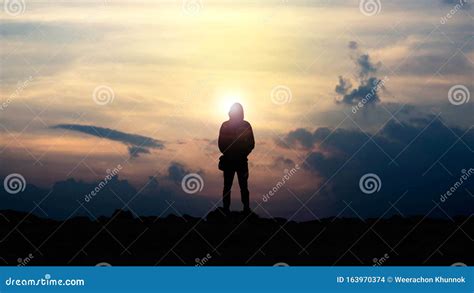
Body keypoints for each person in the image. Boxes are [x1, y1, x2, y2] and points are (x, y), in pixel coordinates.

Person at [218, 103, 255, 213]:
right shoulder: (225, 125)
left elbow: (251, 143)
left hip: (241, 161)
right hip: (232, 161)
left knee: (242, 186)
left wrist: (242, 154)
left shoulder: (245, 125)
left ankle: (246, 209)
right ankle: (226, 209)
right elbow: (221, 144)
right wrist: (231, 154)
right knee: (228, 186)